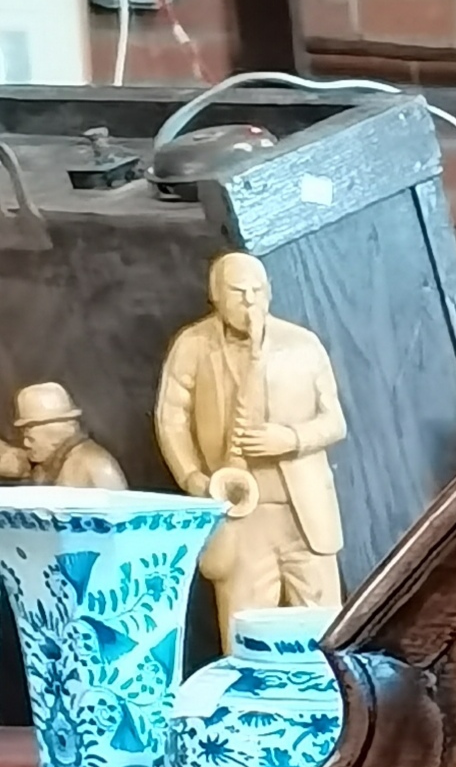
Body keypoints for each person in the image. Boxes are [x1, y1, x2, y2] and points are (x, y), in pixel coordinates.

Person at [154, 249, 347, 642]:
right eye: (239, 292)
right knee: (244, 632)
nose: (250, 302)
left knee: (326, 629)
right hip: (241, 517)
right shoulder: (192, 346)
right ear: (216, 296)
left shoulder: (302, 344)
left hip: (303, 515)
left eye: (257, 291)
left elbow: (335, 422)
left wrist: (290, 440)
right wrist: (194, 478)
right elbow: (170, 417)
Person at [0, 382, 125, 488]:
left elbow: (119, 514)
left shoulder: (97, 467)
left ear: (54, 429)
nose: (25, 443)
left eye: (30, 437)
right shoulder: (47, 466)